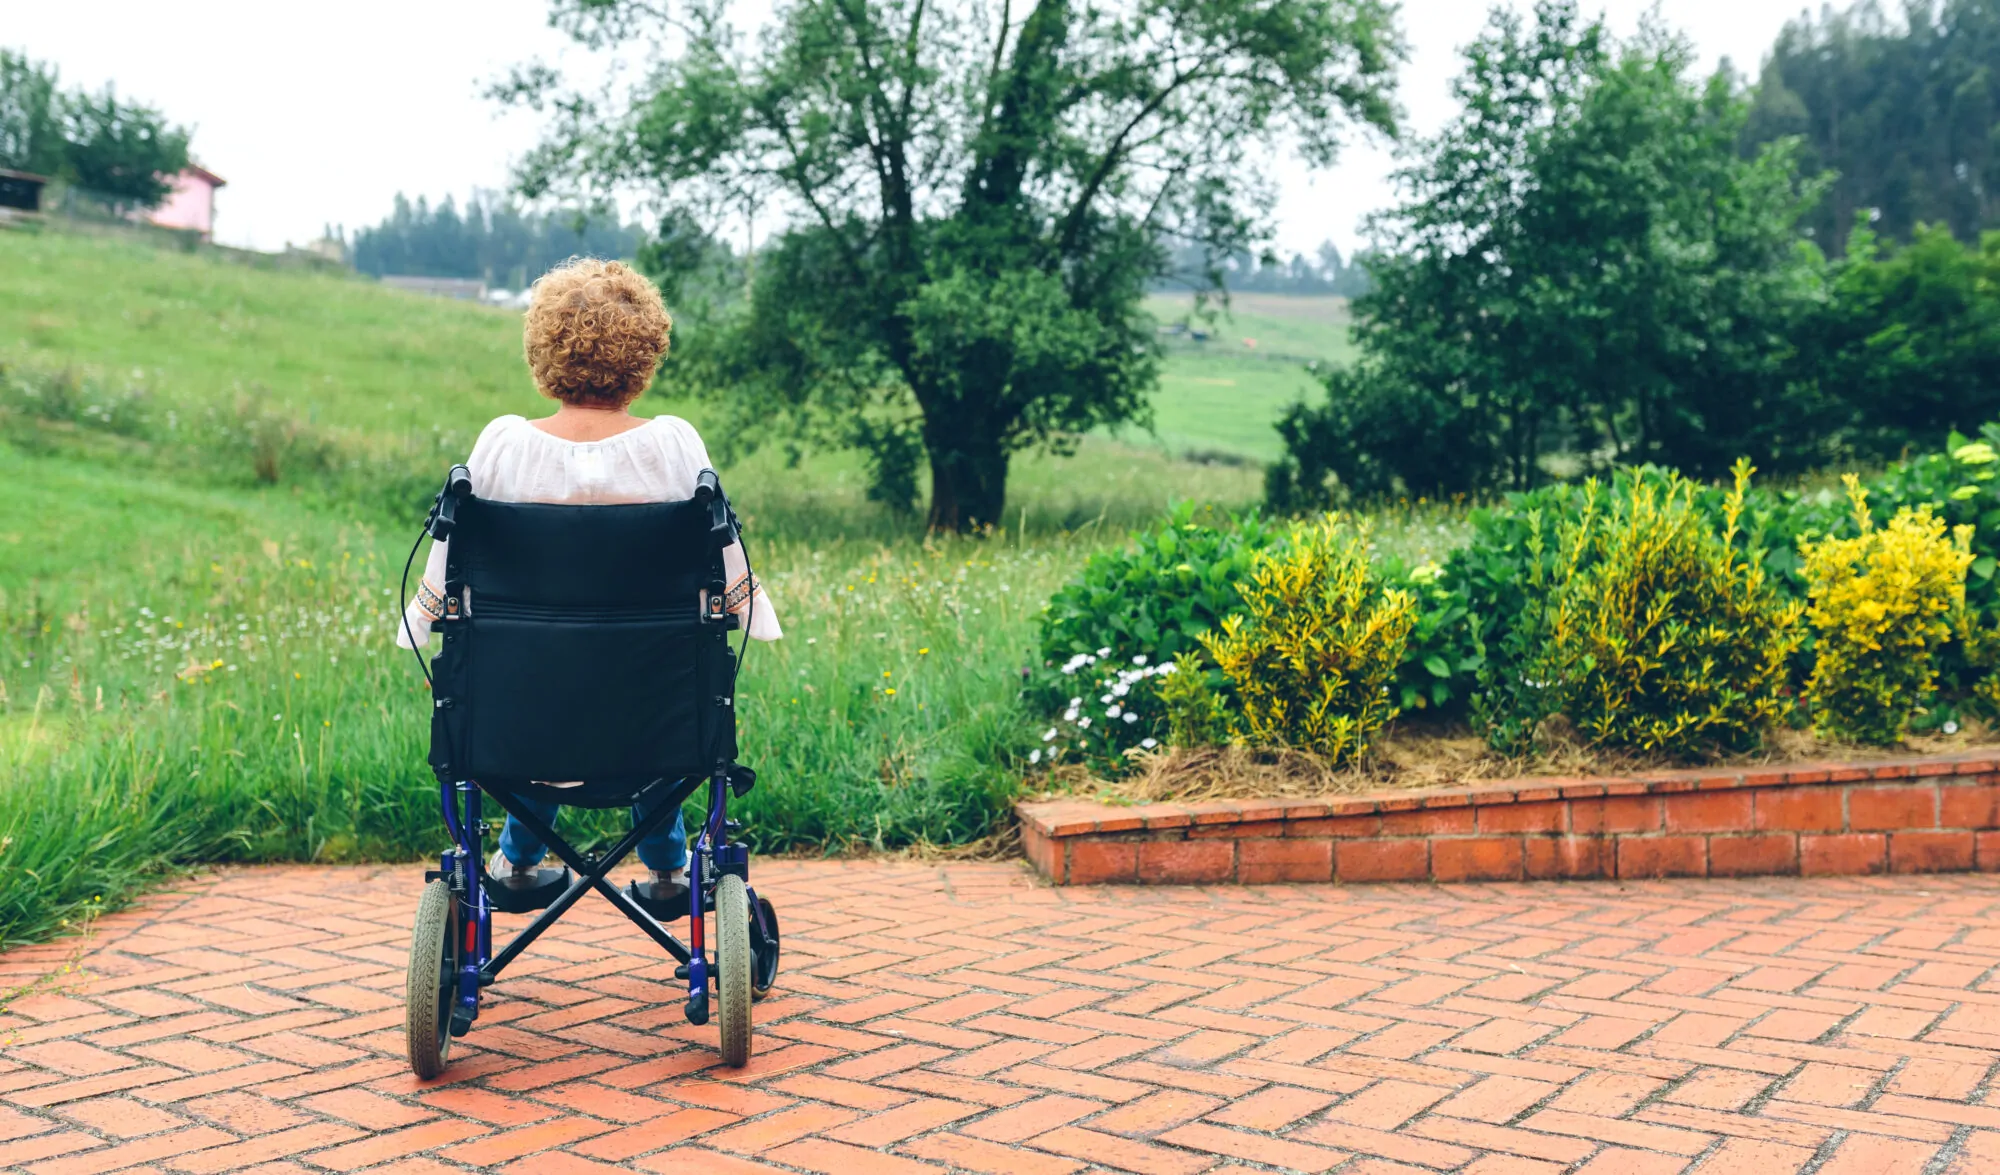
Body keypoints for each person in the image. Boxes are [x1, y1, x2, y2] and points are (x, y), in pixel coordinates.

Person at [396, 257, 781, 903]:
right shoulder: (675, 445)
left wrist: (420, 617)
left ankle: (515, 863)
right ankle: (668, 871)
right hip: (655, 713)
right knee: (649, 691)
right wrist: (752, 612)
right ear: (646, 353)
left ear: (543, 350)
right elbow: (728, 568)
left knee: (539, 701)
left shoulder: (502, 444)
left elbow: (446, 570)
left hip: (522, 712)